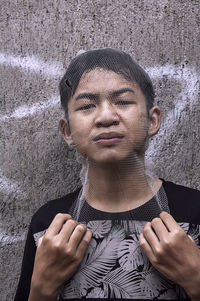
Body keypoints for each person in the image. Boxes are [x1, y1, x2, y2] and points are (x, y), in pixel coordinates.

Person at [15, 48, 200, 301]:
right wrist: (42, 288)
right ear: (67, 130)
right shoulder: (49, 226)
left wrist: (196, 278)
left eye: (123, 101)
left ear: (152, 120)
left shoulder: (195, 212)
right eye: (87, 106)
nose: (105, 117)